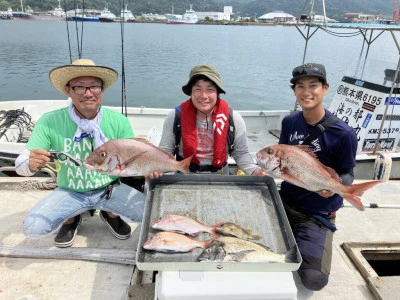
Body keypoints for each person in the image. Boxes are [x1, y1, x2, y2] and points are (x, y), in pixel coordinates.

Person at [15, 59, 146, 248]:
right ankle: (71, 218)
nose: (88, 93)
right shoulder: (49, 121)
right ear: (68, 90)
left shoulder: (118, 121)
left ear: (102, 90)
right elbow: (22, 163)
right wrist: (29, 164)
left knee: (148, 214)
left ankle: (110, 213)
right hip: (70, 191)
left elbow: (132, 159)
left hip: (108, 189)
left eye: (94, 87)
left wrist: (146, 169)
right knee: (33, 227)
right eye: (79, 87)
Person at [278, 63, 358, 297]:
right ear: (294, 91)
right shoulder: (289, 122)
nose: (306, 92)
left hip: (316, 214)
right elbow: (284, 156)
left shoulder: (344, 134)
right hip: (286, 202)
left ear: (325, 89)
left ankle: (313, 238)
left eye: (313, 85)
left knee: (314, 279)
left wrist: (334, 188)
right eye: (300, 86)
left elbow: (348, 173)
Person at [152, 64, 266, 177]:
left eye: (210, 89)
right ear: (191, 92)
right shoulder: (175, 117)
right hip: (184, 177)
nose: (204, 96)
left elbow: (241, 153)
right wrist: (156, 169)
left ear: (217, 93)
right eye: (198, 89)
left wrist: (254, 171)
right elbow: (165, 152)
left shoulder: (233, 119)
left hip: (221, 176)